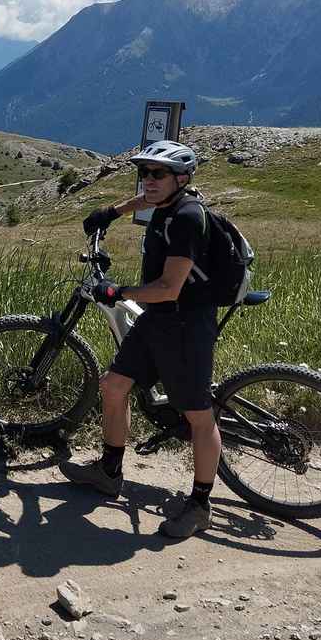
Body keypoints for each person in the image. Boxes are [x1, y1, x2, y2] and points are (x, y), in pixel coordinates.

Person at [62, 140, 219, 539]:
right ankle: (109, 472)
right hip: (158, 321)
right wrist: (110, 212)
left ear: (181, 179)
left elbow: (168, 288)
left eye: (158, 173)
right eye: (144, 172)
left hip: (185, 325)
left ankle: (200, 505)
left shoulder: (186, 218)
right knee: (114, 387)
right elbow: (145, 200)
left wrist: (120, 292)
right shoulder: (166, 202)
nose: (148, 180)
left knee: (199, 416)